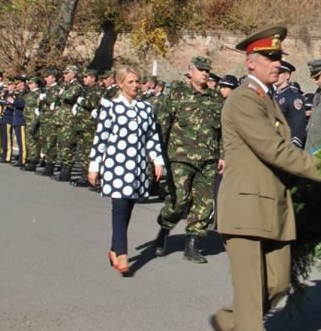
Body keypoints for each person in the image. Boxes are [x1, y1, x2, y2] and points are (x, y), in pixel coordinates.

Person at [209, 26, 321, 331]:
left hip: (273, 206)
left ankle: (228, 322)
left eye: (279, 57)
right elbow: (274, 150)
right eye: (271, 58)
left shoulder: (269, 99)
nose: (278, 63)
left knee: (277, 284)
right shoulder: (243, 100)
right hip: (244, 206)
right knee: (250, 292)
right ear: (251, 62)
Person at [87, 67, 165, 275]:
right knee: (119, 208)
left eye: (137, 81)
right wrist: (94, 167)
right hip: (116, 166)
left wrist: (157, 161)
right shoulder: (111, 107)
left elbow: (152, 137)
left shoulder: (145, 109)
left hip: (138, 167)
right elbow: (100, 138)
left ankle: (114, 248)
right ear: (120, 84)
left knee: (128, 208)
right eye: (130, 82)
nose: (135, 85)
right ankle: (122, 253)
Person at [153, 56, 223, 262]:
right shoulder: (176, 94)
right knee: (179, 200)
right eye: (201, 70)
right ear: (190, 71)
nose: (205, 73)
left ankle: (192, 244)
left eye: (207, 71)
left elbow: (223, 131)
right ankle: (165, 228)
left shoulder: (216, 98)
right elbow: (163, 125)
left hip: (208, 159)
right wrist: (159, 156)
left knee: (204, 203)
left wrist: (223, 155)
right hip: (180, 157)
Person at [273, 60, 307, 148]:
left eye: (279, 73)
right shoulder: (273, 95)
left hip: (286, 144)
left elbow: (298, 124)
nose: (275, 76)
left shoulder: (294, 97)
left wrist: (294, 146)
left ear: (287, 76)